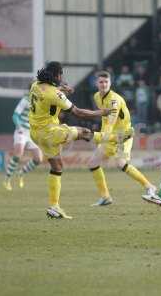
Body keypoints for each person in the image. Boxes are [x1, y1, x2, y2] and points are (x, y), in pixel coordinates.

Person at [29, 62, 116, 219]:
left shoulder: (36, 85)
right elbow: (78, 112)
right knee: (84, 132)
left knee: (57, 166)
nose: (62, 77)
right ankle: (109, 138)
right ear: (57, 75)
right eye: (61, 74)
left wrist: (62, 88)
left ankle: (54, 207)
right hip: (50, 132)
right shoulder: (55, 94)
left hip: (36, 133)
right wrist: (101, 112)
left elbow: (48, 91)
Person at [88, 71, 157, 206]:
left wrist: (99, 136)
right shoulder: (97, 96)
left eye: (106, 82)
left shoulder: (115, 100)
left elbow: (110, 122)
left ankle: (150, 187)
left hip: (122, 135)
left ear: (110, 83)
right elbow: (104, 118)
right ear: (96, 83)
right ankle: (105, 197)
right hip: (109, 136)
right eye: (101, 82)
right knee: (92, 163)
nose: (103, 84)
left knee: (121, 163)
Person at [3, 92, 43, 191]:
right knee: (18, 154)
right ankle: (7, 179)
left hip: (32, 133)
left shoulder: (43, 101)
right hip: (21, 131)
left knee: (38, 159)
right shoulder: (26, 99)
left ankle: (21, 173)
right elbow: (15, 115)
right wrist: (19, 126)